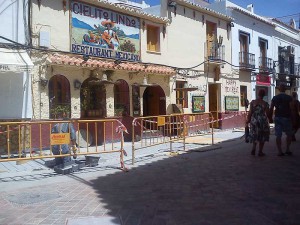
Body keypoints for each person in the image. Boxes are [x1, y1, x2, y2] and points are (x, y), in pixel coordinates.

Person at [269, 84, 293, 156]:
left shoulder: (275, 98)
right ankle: (287, 149)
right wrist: (293, 118)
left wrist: (270, 117)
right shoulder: (289, 98)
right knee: (289, 134)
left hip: (278, 118)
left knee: (278, 135)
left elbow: (271, 108)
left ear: (279, 89)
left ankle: (280, 151)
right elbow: (292, 109)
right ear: (285, 89)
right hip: (287, 118)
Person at [246, 89, 270, 156]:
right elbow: (268, 114)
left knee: (254, 134)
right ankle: (260, 151)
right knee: (262, 135)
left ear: (258, 94)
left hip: (254, 120)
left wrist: (248, 120)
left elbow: (250, 112)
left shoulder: (253, 102)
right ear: (264, 95)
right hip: (262, 121)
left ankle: (253, 148)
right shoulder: (265, 104)